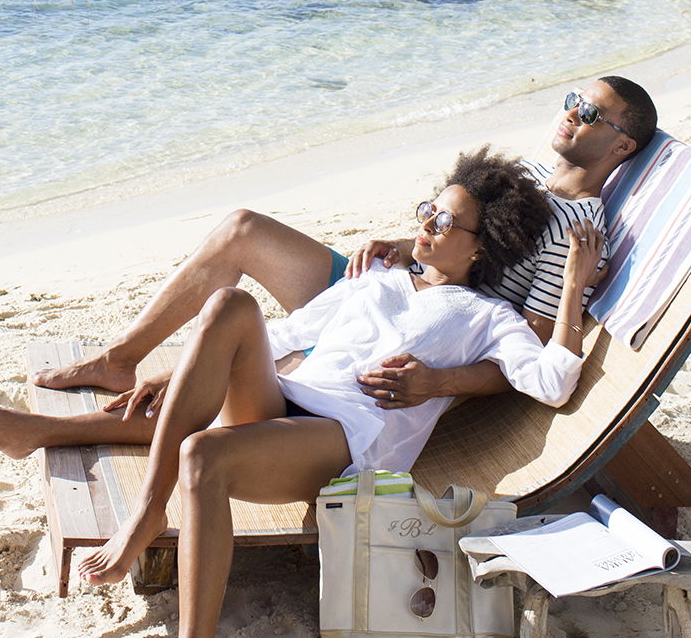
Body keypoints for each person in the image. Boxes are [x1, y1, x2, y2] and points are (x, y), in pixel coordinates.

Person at [0, 148, 605, 638]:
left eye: (442, 221)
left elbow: (552, 381)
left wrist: (573, 288)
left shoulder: (487, 317)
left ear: (481, 246)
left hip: (346, 441)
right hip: (290, 395)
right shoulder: (378, 276)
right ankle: (140, 500)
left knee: (206, 456)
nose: (424, 227)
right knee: (231, 304)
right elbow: (290, 334)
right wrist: (190, 372)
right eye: (424, 211)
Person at [32, 76, 656, 416]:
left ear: (621, 146)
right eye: (573, 100)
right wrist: (400, 242)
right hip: (390, 287)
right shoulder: (524, 166)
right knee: (241, 227)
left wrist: (437, 380)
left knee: (248, 252)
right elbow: (453, 227)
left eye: (591, 114)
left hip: (428, 330)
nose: (572, 113)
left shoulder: (574, 227)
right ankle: (121, 357)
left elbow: (530, 340)